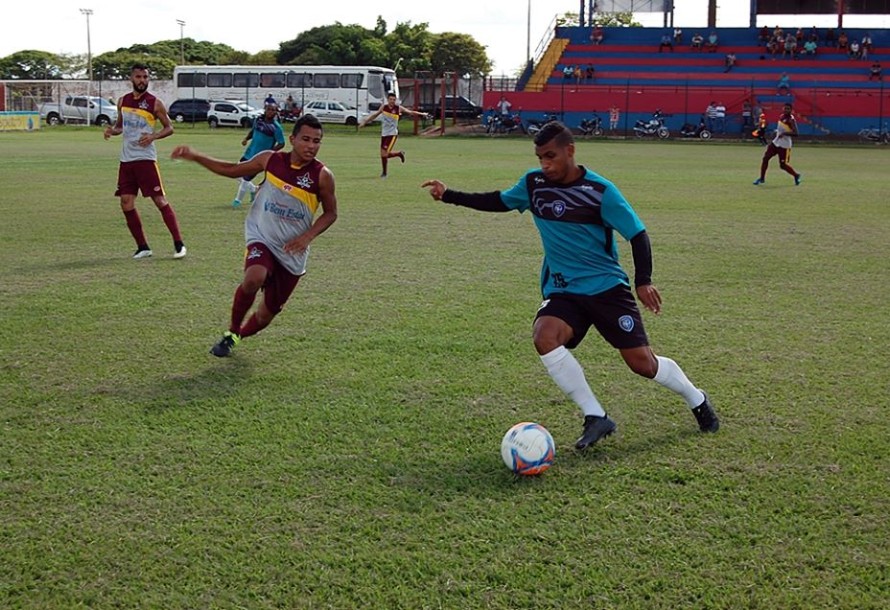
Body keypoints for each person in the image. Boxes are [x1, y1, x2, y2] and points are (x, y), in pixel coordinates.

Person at [420, 121, 719, 450]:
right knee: (544, 335)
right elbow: (499, 201)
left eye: (551, 156)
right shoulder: (534, 185)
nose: (545, 165)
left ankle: (696, 398)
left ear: (570, 151)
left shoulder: (600, 191)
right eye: (539, 158)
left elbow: (637, 234)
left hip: (607, 289)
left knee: (642, 364)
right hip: (564, 290)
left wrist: (643, 281)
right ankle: (596, 415)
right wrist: (449, 195)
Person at [170, 114, 338, 357]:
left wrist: (307, 237)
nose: (311, 146)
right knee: (253, 278)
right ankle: (231, 330)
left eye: (317, 141)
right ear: (292, 139)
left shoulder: (322, 175)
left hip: (292, 252)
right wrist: (196, 156)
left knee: (265, 315)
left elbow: (331, 214)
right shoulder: (270, 160)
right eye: (306, 139)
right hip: (262, 236)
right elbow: (231, 169)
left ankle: (237, 337)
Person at [103, 63, 186, 260]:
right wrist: (111, 131)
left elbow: (169, 128)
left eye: (145, 77)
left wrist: (153, 136)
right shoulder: (123, 101)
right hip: (126, 160)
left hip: (146, 160)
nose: (142, 81)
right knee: (126, 202)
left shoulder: (154, 103)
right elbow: (120, 127)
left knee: (159, 200)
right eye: (139, 77)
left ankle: (179, 244)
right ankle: (143, 247)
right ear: (131, 79)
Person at [358, 92, 429, 179]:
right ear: (388, 100)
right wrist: (365, 121)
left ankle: (384, 173)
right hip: (384, 133)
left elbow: (410, 112)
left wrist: (422, 114)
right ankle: (399, 154)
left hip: (392, 134)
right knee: (383, 155)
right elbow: (375, 115)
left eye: (394, 100)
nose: (392, 101)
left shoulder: (398, 108)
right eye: (391, 99)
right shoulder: (384, 107)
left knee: (385, 154)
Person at [231, 101, 285, 208]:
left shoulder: (276, 127)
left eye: (273, 110)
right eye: (268, 109)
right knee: (236, 173)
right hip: (249, 153)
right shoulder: (258, 120)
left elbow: (282, 143)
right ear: (265, 109)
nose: (270, 112)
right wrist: (246, 139)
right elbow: (253, 131)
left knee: (246, 178)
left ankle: (237, 201)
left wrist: (269, 152)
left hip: (259, 159)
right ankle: (254, 189)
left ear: (276, 113)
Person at [753, 103, 802, 186]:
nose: (786, 110)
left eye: (788, 109)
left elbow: (796, 133)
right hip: (776, 142)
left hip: (784, 145)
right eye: (785, 108)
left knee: (783, 165)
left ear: (791, 110)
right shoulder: (781, 116)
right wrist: (777, 132)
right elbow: (781, 128)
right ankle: (762, 178)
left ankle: (796, 175)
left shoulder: (791, 120)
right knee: (765, 158)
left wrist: (785, 133)